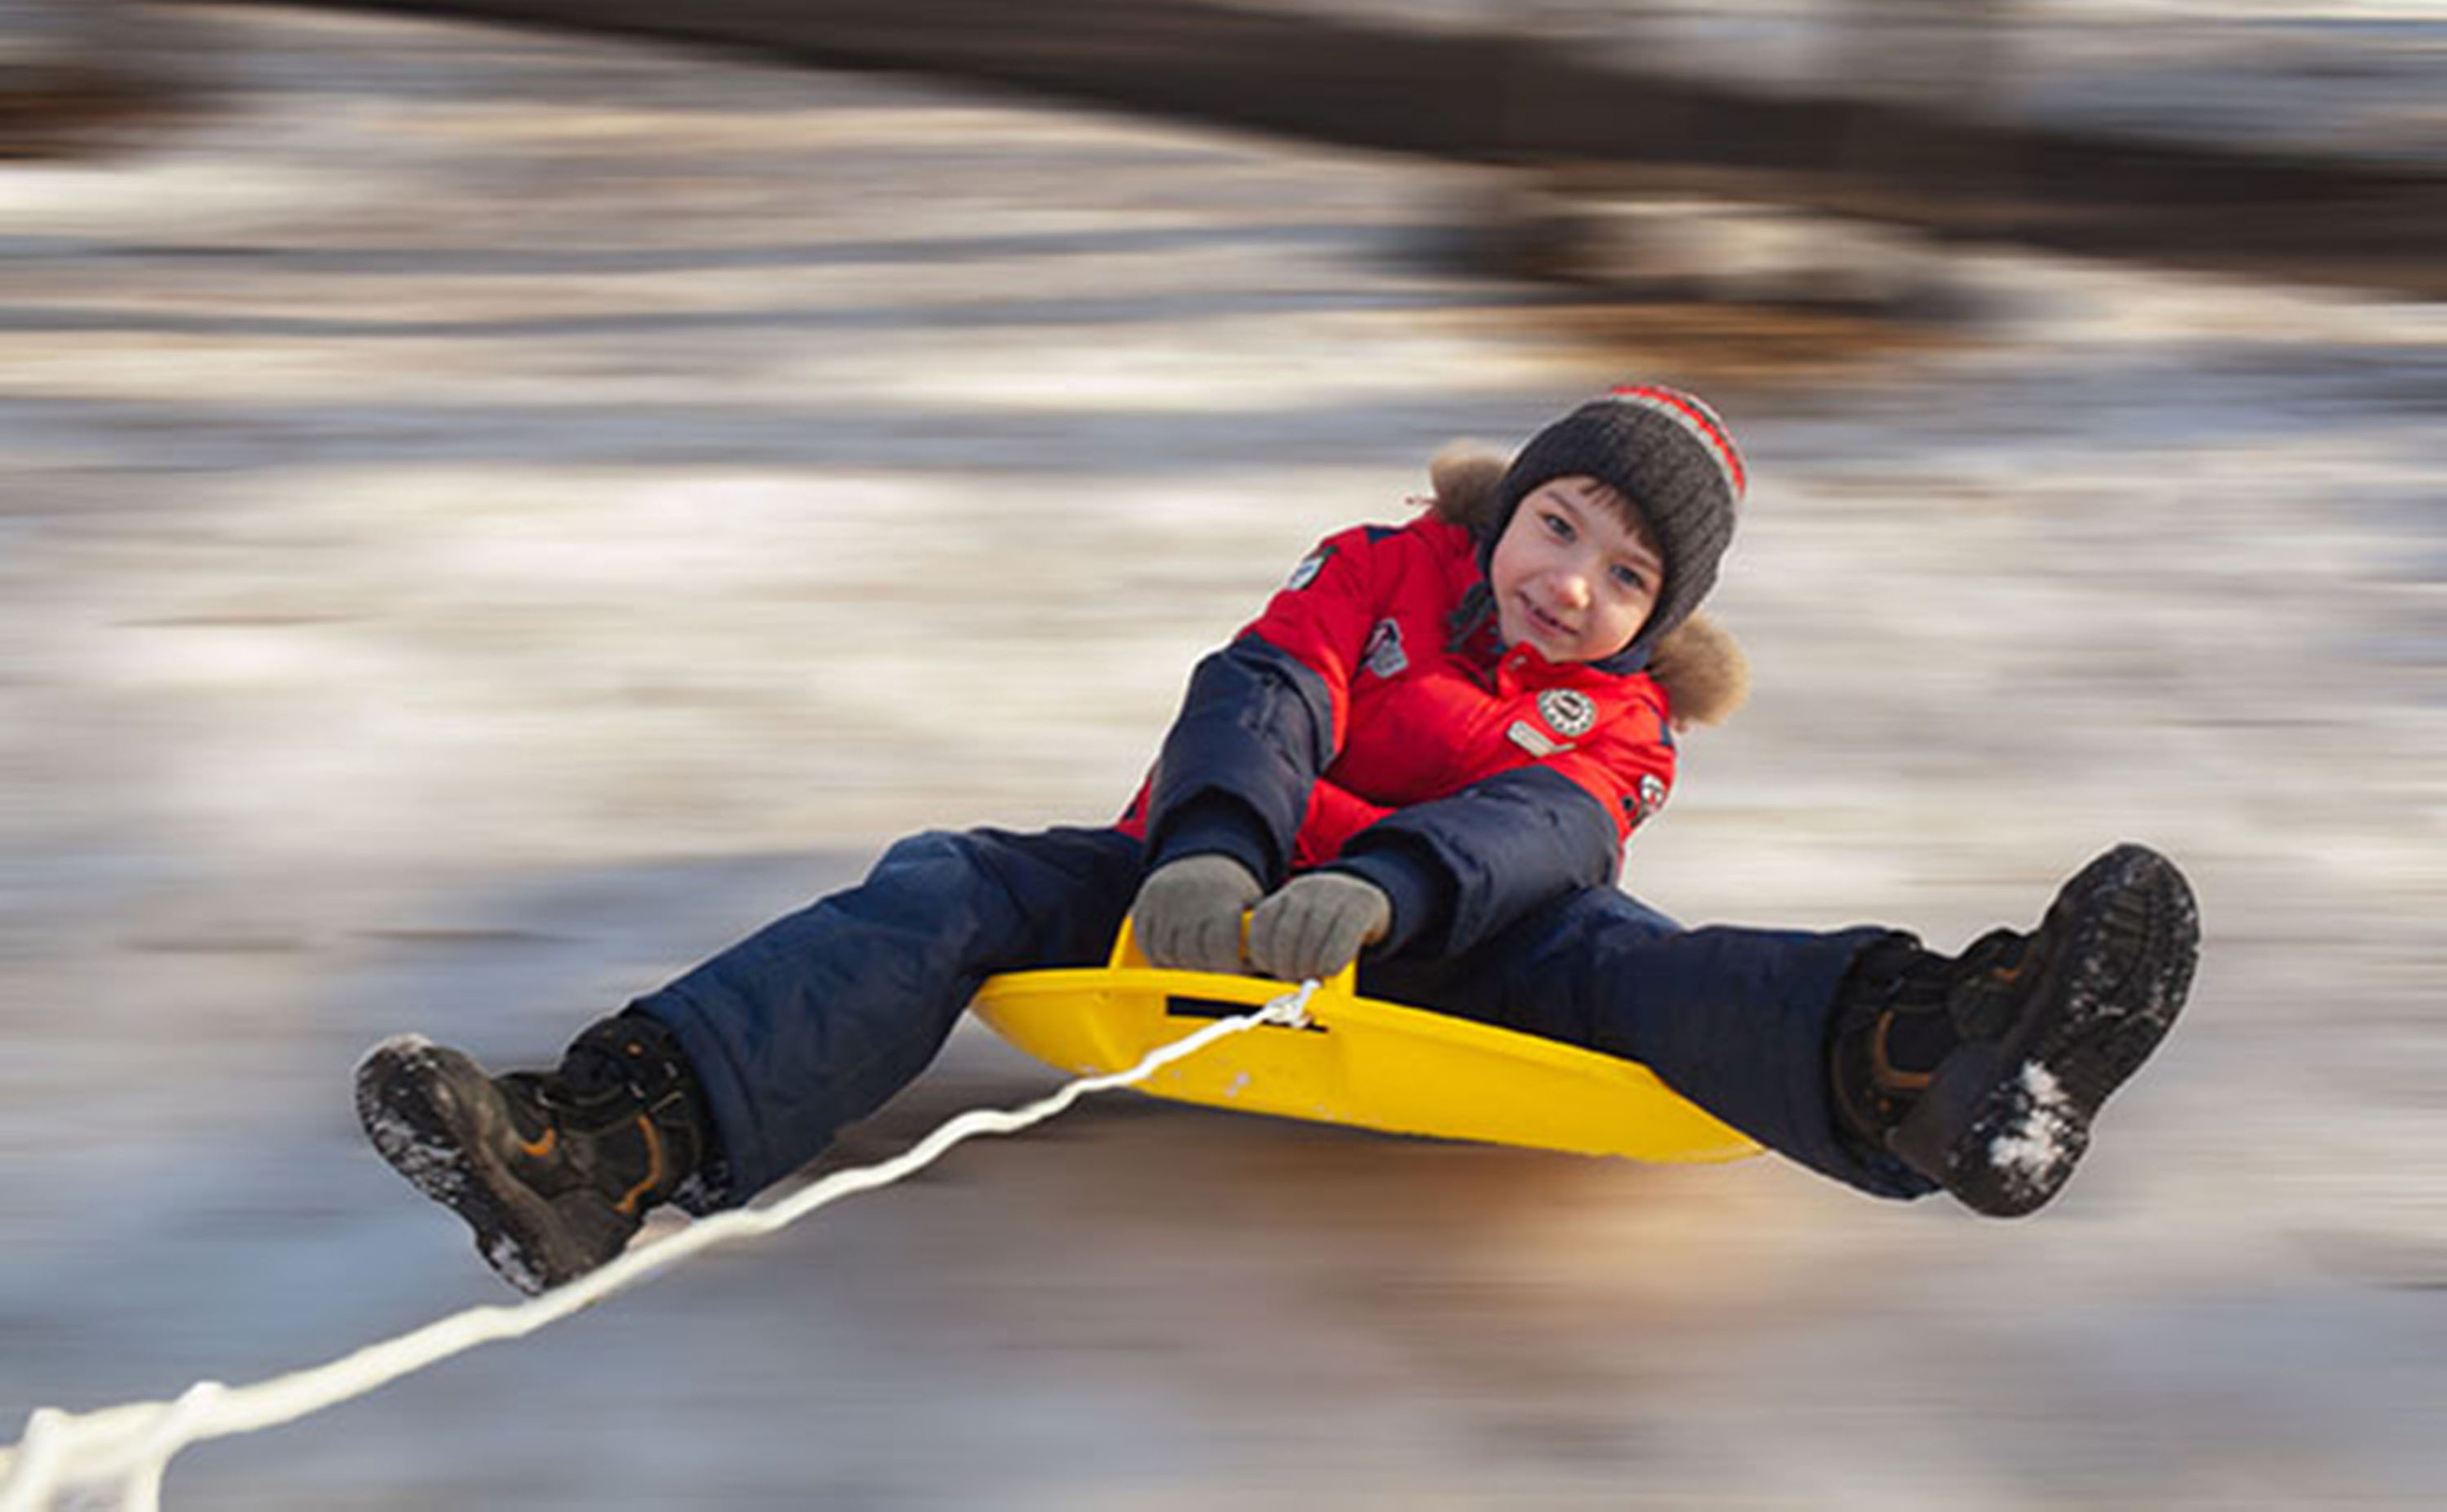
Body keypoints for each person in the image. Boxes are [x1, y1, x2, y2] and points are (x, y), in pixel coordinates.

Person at [357, 386, 2198, 1295]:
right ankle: (604, 1134)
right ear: (1509, 507)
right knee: (952, 885)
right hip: (1192, 882)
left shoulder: (1622, 726)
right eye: (1562, 524)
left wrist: (1388, 889)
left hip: (1459, 931)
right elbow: (1269, 684)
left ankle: (1943, 1061)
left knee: (1635, 969)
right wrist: (1217, 852)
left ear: (1658, 622)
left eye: (1629, 577)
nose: (1575, 585)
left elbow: (1544, 830)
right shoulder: (1382, 565)